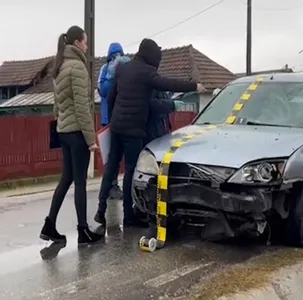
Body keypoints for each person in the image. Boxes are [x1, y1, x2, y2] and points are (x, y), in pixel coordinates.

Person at [94, 38, 206, 227]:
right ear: (152, 56)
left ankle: (100, 210)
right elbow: (169, 84)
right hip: (133, 130)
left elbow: (111, 95)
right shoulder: (147, 73)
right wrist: (194, 86)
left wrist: (113, 120)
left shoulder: (124, 68)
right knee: (130, 171)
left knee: (111, 167)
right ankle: (129, 216)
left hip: (117, 126)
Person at [40, 25, 103, 244]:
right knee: (79, 182)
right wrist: (90, 139)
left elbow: (57, 104)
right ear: (77, 42)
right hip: (77, 133)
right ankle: (83, 231)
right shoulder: (77, 67)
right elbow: (83, 107)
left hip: (64, 131)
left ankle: (49, 225)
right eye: (85, 42)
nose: (87, 46)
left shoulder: (60, 65)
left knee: (66, 179)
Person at [97, 43, 127, 200]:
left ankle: (112, 186)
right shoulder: (105, 70)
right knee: (111, 156)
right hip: (110, 120)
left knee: (114, 155)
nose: (116, 57)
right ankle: (111, 185)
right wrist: (111, 75)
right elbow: (103, 91)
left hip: (114, 118)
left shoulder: (121, 68)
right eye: (114, 54)